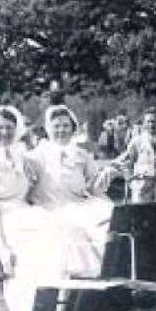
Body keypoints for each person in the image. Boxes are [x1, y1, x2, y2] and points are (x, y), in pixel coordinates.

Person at [0, 106, 100, 311]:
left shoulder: (20, 157)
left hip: (24, 212)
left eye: (9, 128)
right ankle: (40, 304)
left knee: (67, 228)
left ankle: (78, 291)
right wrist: (1, 248)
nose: (4, 133)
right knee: (40, 244)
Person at [30, 105, 114, 256]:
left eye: (65, 126)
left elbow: (93, 185)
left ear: (73, 128)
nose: (61, 130)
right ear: (48, 129)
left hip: (79, 203)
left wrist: (104, 178)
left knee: (106, 220)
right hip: (50, 205)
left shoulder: (81, 154)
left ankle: (112, 263)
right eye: (56, 126)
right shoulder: (36, 156)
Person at [111, 109, 156, 203]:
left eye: (154, 121)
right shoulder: (137, 141)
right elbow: (124, 161)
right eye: (148, 122)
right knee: (141, 214)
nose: (151, 125)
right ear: (144, 123)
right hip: (142, 186)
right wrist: (131, 179)